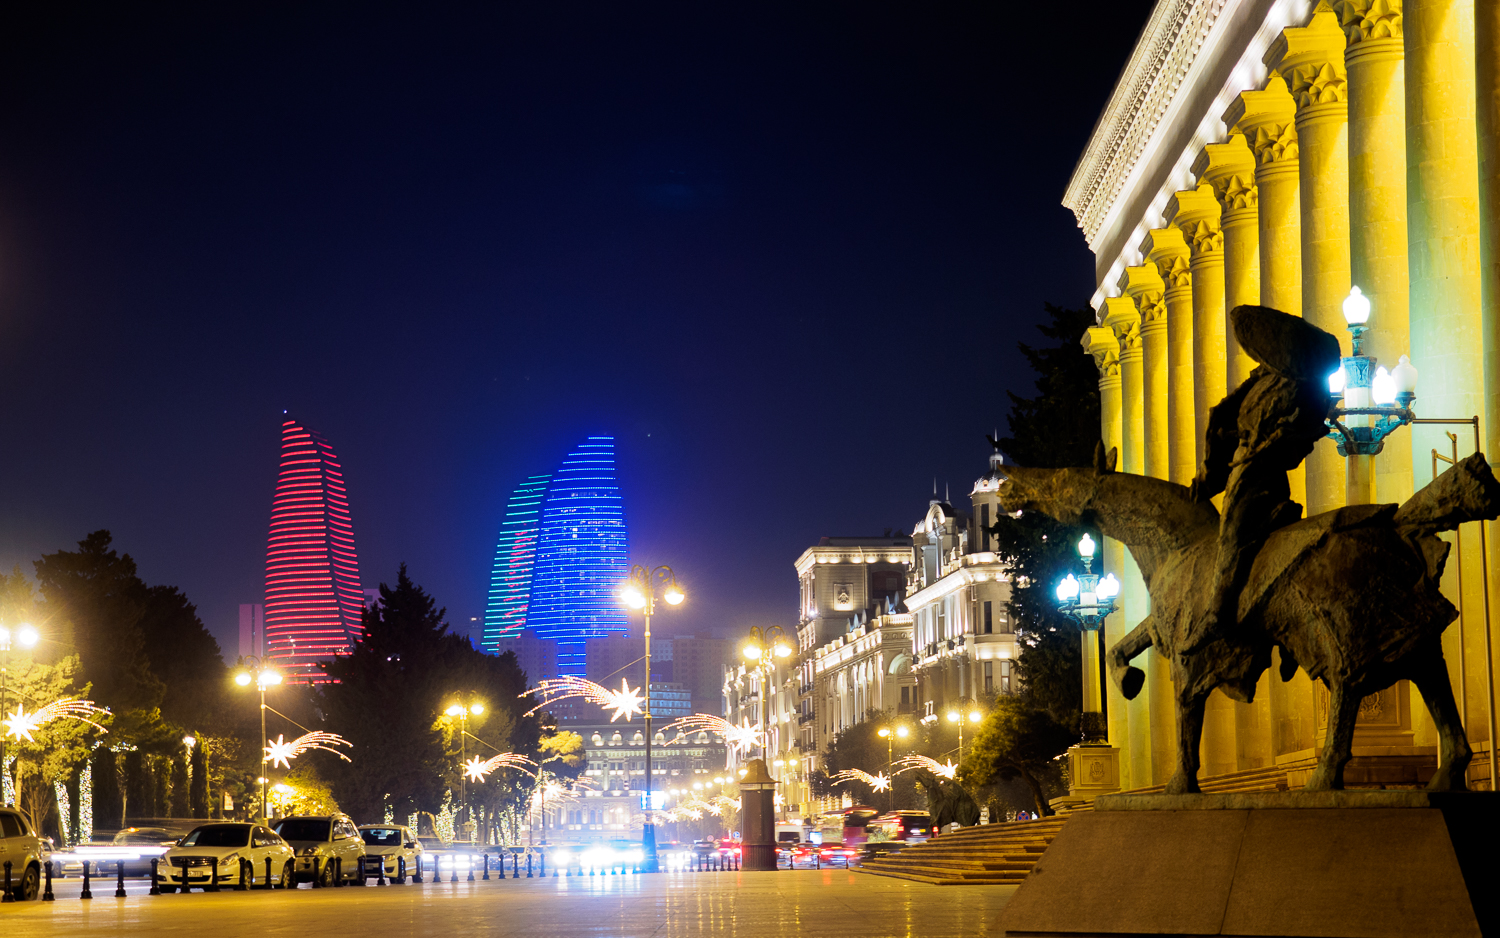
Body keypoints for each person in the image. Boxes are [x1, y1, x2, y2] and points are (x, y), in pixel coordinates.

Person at [1183, 306, 1342, 654]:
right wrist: (1209, 477)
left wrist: (1281, 438)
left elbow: (1310, 430)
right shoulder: (1264, 379)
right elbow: (1223, 418)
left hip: (1258, 473)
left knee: (1232, 538)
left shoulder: (1306, 387)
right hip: (1246, 465)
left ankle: (1218, 614)